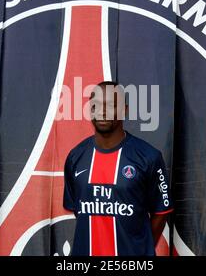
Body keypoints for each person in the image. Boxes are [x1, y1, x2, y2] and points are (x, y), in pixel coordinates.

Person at [63, 81, 173, 256]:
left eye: (111, 105)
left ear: (125, 110)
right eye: (96, 105)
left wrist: (139, 249)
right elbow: (79, 210)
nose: (102, 111)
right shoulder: (76, 157)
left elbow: (161, 211)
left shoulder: (148, 157)